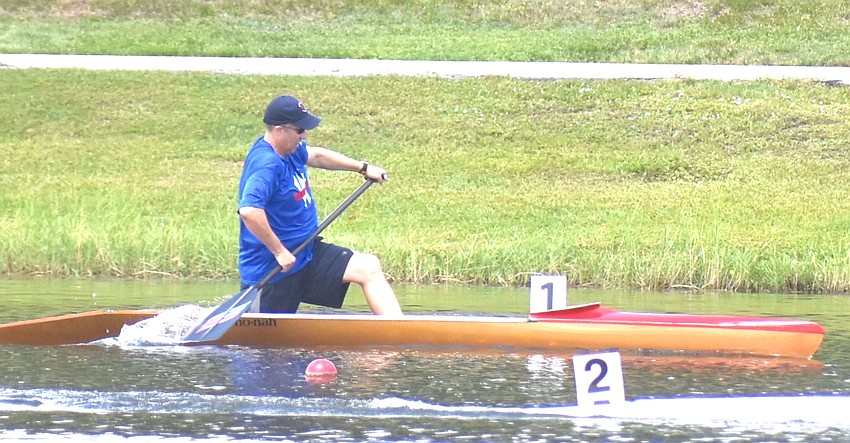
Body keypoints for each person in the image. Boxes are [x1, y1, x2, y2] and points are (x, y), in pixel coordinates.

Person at [237, 95, 403, 316]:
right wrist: (279, 252)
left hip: (306, 254)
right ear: (279, 130)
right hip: (275, 270)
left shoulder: (291, 150)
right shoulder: (266, 165)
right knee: (269, 348)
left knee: (368, 267)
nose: (304, 135)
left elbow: (317, 156)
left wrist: (363, 168)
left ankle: (398, 332)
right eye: (299, 130)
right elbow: (249, 211)